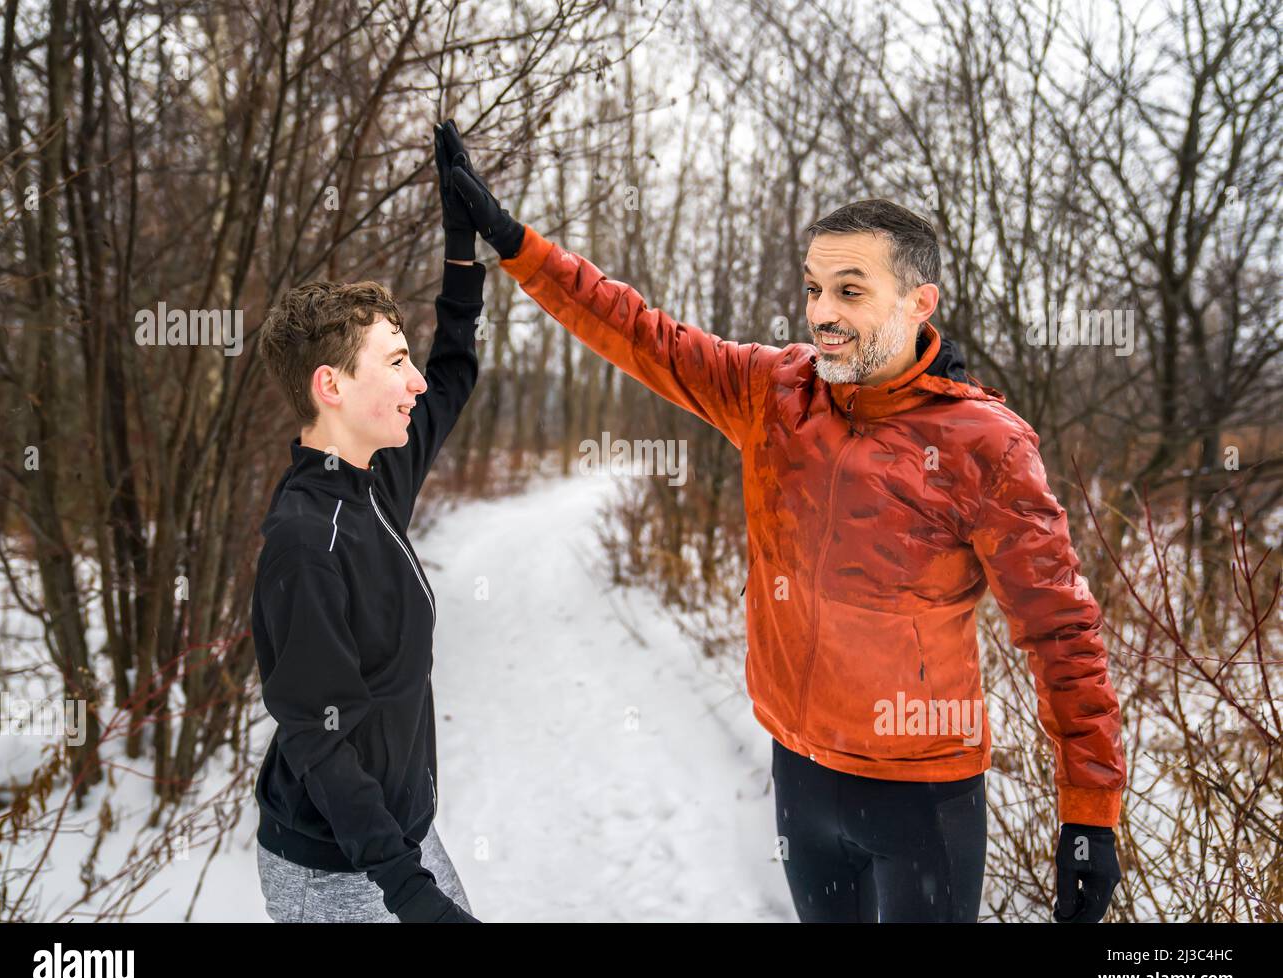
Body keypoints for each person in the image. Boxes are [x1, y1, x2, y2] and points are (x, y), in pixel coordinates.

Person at [436, 120, 1125, 923]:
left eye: (850, 291)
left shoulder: (986, 446)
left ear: (918, 302)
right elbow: (639, 331)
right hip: (800, 779)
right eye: (813, 288)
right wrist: (516, 243)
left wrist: (1088, 810)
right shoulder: (775, 392)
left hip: (923, 801)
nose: (821, 314)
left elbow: (1062, 631)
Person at [249, 123, 483, 923]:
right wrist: (409, 891)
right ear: (331, 386)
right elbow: (316, 736)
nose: (413, 379)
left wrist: (462, 247)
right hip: (334, 869)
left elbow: (453, 371)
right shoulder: (303, 541)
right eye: (392, 361)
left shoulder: (376, 482)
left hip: (399, 845)